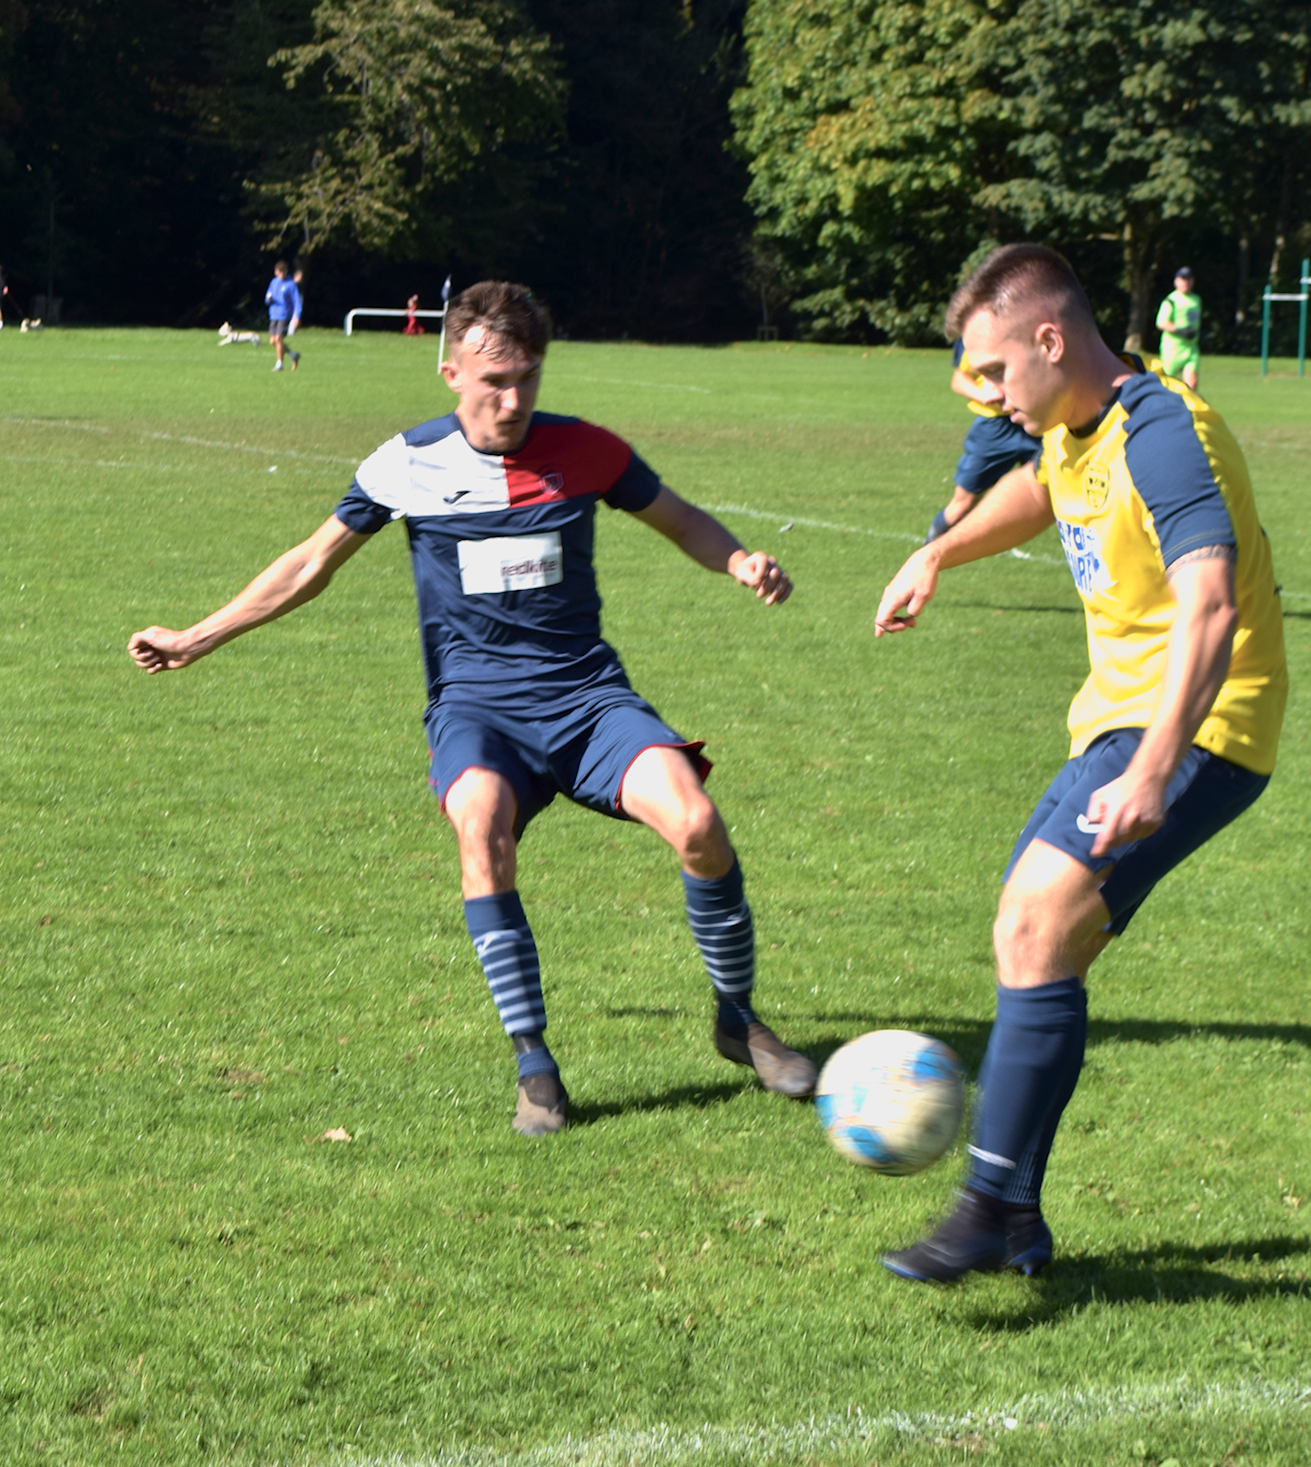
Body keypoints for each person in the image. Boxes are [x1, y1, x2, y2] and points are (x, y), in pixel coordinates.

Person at [130, 281, 818, 1136]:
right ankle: (536, 1066)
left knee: (699, 823)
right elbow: (311, 563)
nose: (514, 398)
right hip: (478, 710)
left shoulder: (588, 450)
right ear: (450, 370)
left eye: (528, 376)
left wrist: (741, 560)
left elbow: (679, 520)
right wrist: (198, 635)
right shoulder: (407, 463)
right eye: (494, 379)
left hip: (587, 698)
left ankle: (737, 1018)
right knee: (480, 828)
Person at [870, 244, 1286, 1282]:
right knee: (1036, 948)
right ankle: (1013, 1216)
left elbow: (1211, 604)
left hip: (1197, 724)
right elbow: (1044, 495)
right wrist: (937, 553)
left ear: (1050, 340)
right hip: (1119, 721)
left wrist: (1152, 769)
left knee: (1035, 918)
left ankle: (980, 1208)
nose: (990, 397)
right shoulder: (1071, 424)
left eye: (998, 372)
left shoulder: (1163, 437)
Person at [930, 336, 1042, 541]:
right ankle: (925, 555)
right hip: (995, 428)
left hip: (1040, 420)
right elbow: (959, 379)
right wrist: (986, 396)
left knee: (1063, 494)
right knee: (962, 506)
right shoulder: (979, 331)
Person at [1157, 266, 1201, 389]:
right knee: (1166, 383)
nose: (1185, 282)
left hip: (1191, 347)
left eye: (1188, 279)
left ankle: (1188, 408)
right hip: (1173, 348)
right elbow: (1161, 322)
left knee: (1192, 384)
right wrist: (1180, 331)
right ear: (1176, 281)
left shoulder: (1196, 299)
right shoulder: (1171, 300)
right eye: (1182, 279)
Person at [265, 260, 301, 371]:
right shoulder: (273, 282)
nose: (281, 275)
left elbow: (297, 302)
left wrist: (297, 316)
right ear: (276, 272)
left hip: (284, 315)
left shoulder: (291, 284)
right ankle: (293, 355)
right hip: (273, 315)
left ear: (286, 271)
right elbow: (266, 300)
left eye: (283, 272)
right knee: (272, 341)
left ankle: (279, 364)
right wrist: (269, 299)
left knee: (278, 339)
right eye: (279, 273)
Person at [288, 266, 305, 338]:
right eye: (300, 276)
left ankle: (291, 334)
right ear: (296, 276)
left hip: (295, 306)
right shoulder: (292, 284)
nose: (301, 278)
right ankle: (290, 334)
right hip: (292, 306)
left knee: (294, 321)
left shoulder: (297, 285)